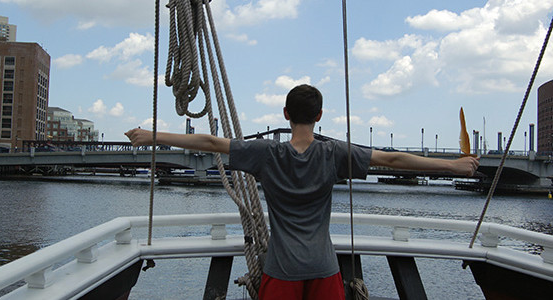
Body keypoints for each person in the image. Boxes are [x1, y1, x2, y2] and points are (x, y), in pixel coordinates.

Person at [125, 84, 479, 300]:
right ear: (319, 115)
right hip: (324, 269)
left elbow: (210, 141)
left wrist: (152, 136)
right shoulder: (334, 153)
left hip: (282, 271)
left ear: (285, 114)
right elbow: (393, 159)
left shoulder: (267, 154)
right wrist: (453, 166)